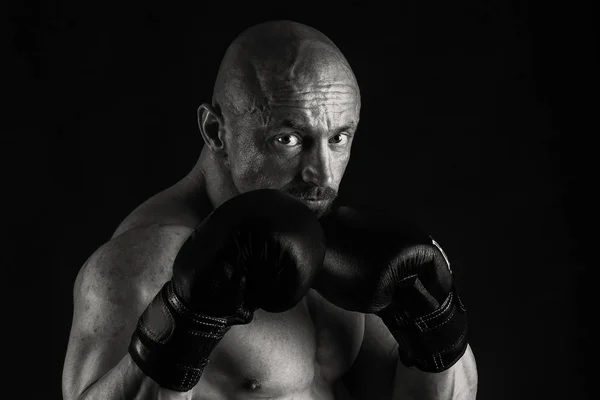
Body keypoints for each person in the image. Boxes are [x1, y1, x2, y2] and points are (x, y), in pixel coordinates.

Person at [62, 20, 478, 400]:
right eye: (288, 139)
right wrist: (187, 318)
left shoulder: (345, 248)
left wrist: (435, 324)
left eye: (338, 138)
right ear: (215, 131)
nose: (321, 175)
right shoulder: (145, 260)